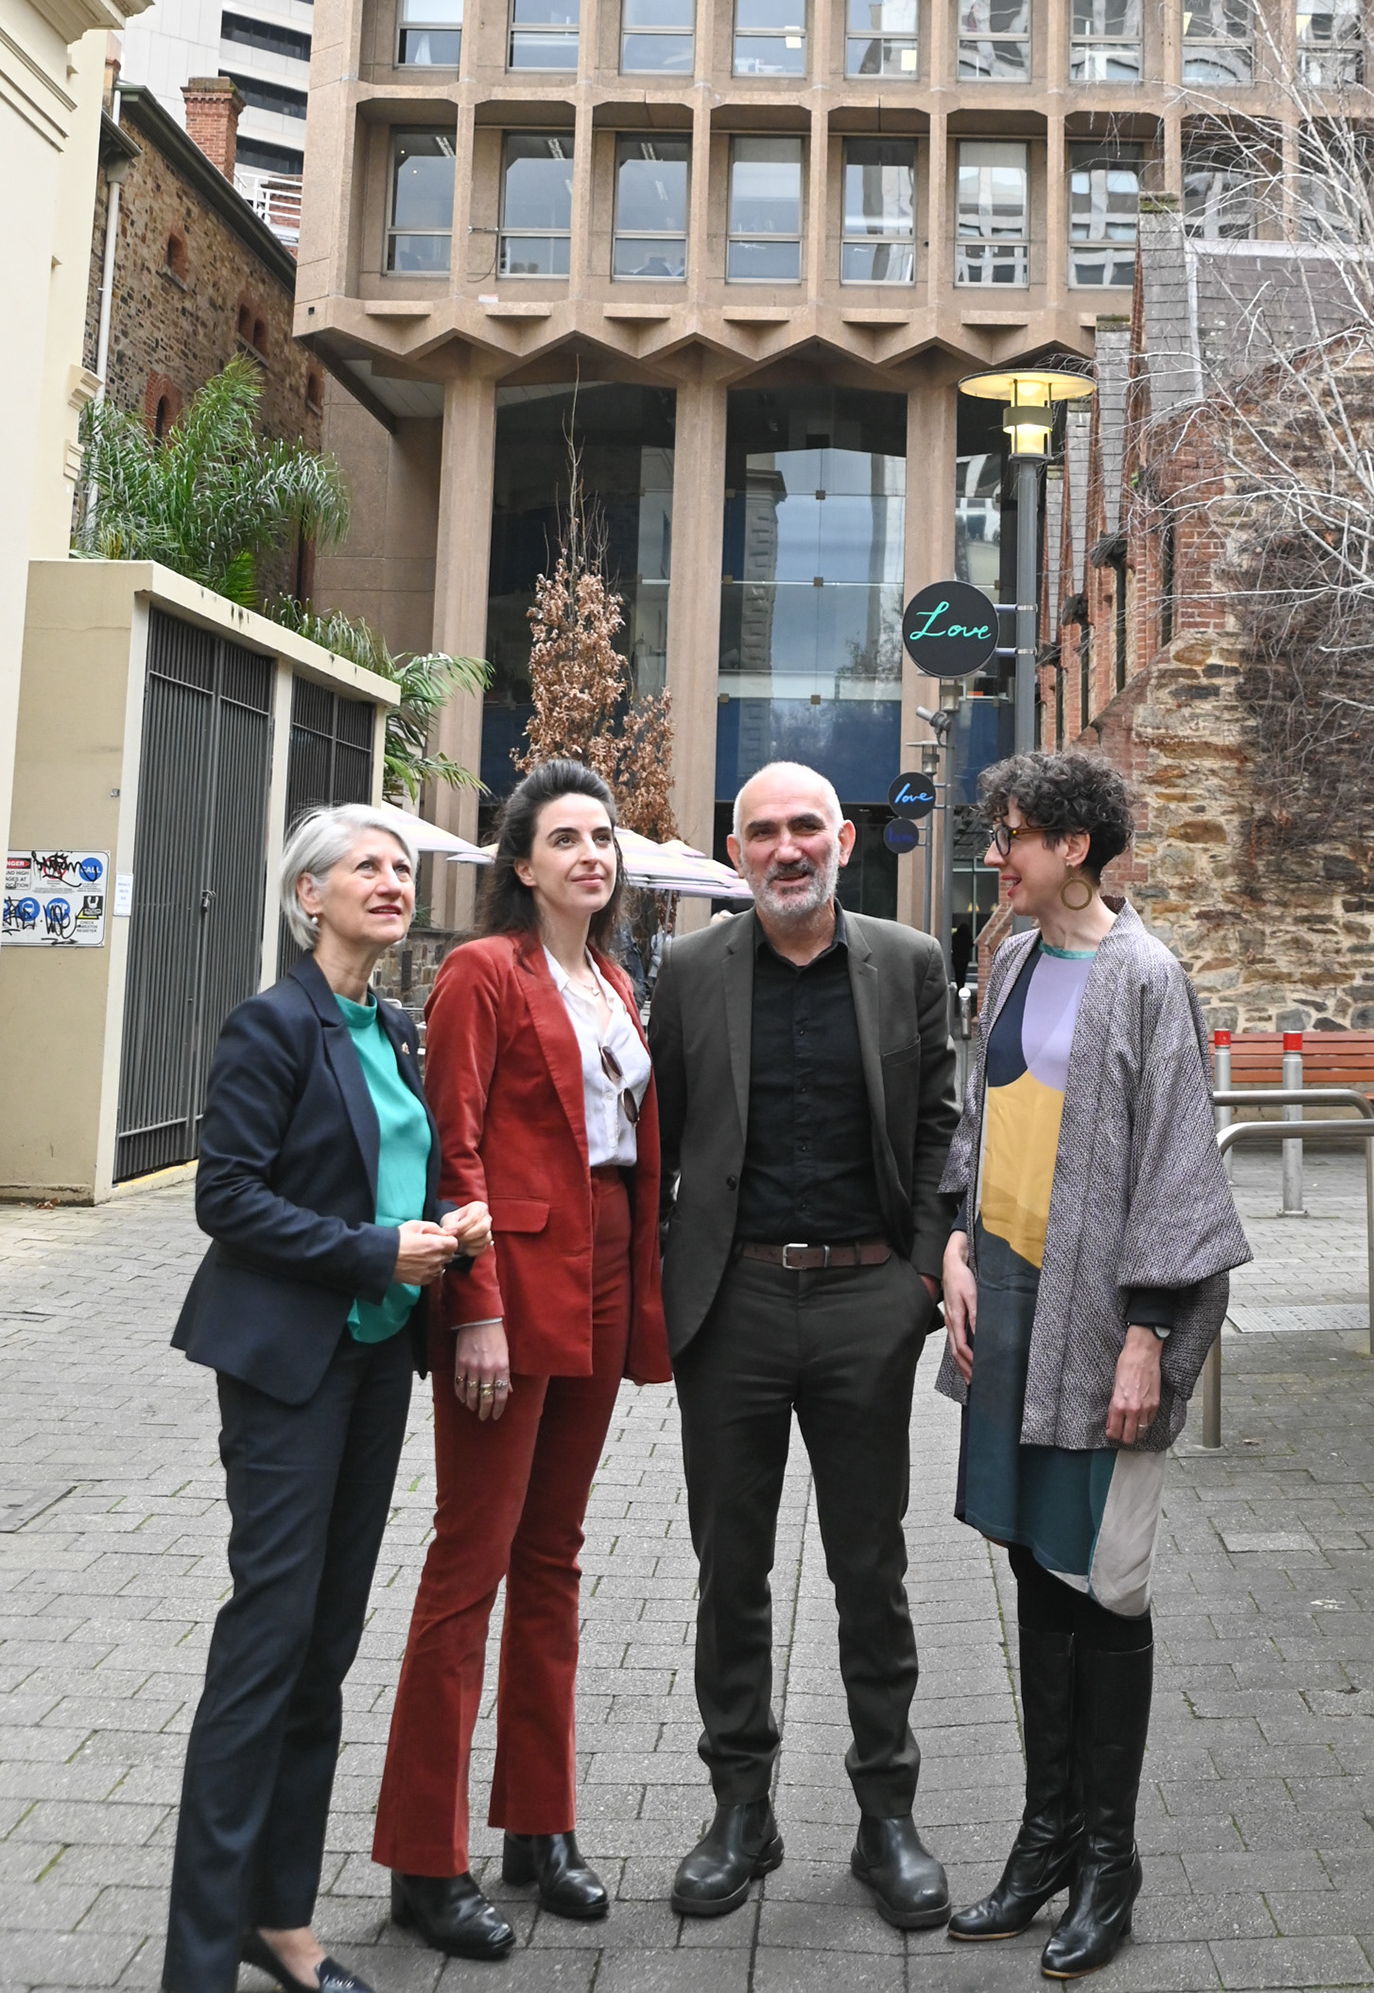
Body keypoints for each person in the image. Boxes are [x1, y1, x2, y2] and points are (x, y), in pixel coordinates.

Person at [163, 806, 491, 1993]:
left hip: (373, 1366)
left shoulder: (391, 1028)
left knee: (323, 1647)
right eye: (368, 866)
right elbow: (228, 1197)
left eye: (403, 868)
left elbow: (385, 1179)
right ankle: (198, 1958)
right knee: (264, 1650)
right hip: (289, 1370)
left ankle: (280, 1921)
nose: (393, 881)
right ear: (310, 896)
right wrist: (371, 1252)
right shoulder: (273, 1025)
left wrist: (446, 1235)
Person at [938, 751, 1250, 1979]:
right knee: (1034, 1561)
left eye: (1010, 834)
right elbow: (983, 1118)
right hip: (1012, 1300)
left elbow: (1175, 1161)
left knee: (1102, 1580)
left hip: (1107, 1315)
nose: (995, 855)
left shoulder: (1145, 976)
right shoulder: (1012, 960)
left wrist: (1147, 1334)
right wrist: (957, 1240)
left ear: (1074, 846)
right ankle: (1044, 1838)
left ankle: (1108, 1861)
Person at [649, 762, 957, 1931]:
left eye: (806, 829)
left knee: (869, 1570)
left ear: (844, 839)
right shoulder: (687, 972)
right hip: (730, 1310)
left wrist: (922, 1273)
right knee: (731, 1569)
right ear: (737, 855)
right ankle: (741, 1808)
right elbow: (659, 1137)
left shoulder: (906, 965)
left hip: (864, 1306)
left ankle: (888, 1816)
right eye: (763, 832)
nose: (787, 849)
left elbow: (941, 1120)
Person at [373, 760, 669, 1959]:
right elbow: (458, 1149)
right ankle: (422, 1860)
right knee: (469, 1566)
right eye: (566, 838)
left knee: (555, 1558)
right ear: (522, 863)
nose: (592, 854)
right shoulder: (480, 974)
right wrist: (476, 1309)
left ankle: (538, 1829)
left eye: (604, 837)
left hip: (603, 1263)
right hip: (511, 1278)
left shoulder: (612, 978)